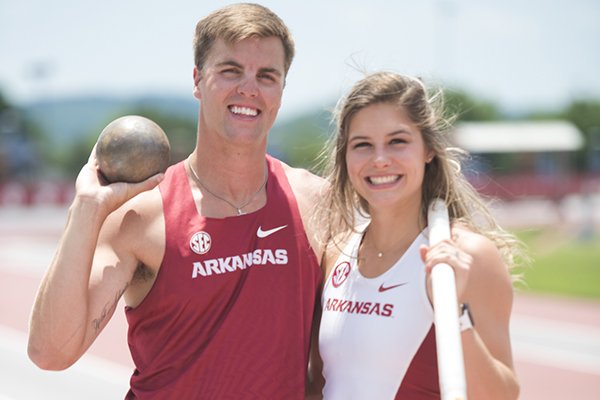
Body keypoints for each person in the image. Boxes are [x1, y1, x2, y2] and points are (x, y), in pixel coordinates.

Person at [28, 3, 325, 399]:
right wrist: (86, 210)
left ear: (282, 90)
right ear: (198, 80)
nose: (249, 88)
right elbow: (50, 352)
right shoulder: (143, 213)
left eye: (267, 75)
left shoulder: (315, 203)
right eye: (230, 70)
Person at [311, 71, 524, 399]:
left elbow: (502, 396)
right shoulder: (336, 251)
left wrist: (453, 313)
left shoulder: (465, 255)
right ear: (346, 157)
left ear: (428, 150)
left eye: (397, 141)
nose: (380, 159)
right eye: (362, 145)